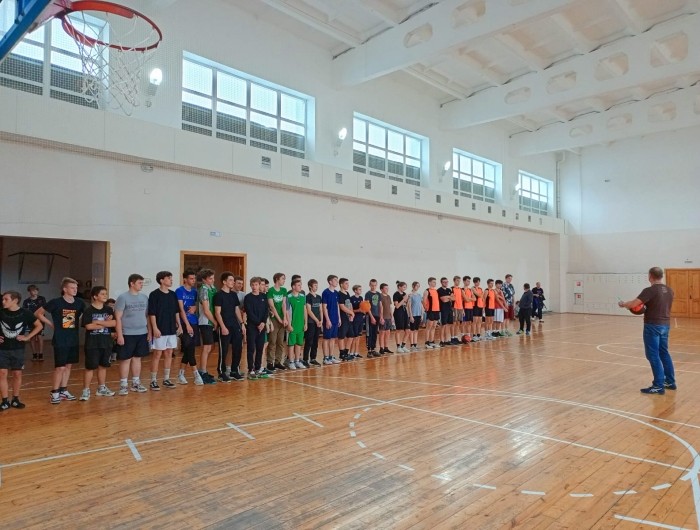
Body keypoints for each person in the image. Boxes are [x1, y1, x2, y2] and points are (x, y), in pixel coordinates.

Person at [618, 267, 675, 395]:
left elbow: (634, 304)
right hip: (665, 325)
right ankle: (670, 382)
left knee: (653, 355)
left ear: (650, 276)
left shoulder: (650, 290)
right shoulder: (669, 290)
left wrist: (623, 304)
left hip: (653, 326)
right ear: (661, 276)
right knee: (664, 353)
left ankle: (658, 386)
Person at [35, 277, 85, 404]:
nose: (75, 290)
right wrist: (51, 324)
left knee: (68, 366)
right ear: (65, 289)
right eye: (72, 288)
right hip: (60, 338)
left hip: (73, 338)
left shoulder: (79, 303)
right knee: (60, 367)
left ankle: (63, 390)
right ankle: (55, 392)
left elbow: (84, 315)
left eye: (76, 288)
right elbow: (38, 313)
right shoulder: (56, 302)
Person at [0, 291, 42, 410]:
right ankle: (4, 401)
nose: (3, 301)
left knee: (17, 374)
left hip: (18, 349)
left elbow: (39, 325)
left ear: (15, 300)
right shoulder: (1, 312)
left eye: (6, 299)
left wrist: (28, 337)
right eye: (3, 299)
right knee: (2, 373)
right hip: (2, 349)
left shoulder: (25, 313)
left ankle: (15, 399)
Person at [114, 274, 151, 395]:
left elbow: (147, 316)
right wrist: (120, 335)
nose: (141, 285)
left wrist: (149, 331)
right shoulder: (123, 297)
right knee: (126, 359)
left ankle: (136, 383)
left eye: (142, 283)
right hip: (127, 333)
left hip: (142, 332)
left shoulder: (144, 297)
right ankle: (123, 385)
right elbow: (118, 318)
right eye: (139, 283)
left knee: (137, 358)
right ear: (132, 283)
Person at [79, 285, 117, 400]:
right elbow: (89, 326)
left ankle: (101, 388)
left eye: (106, 294)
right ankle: (86, 390)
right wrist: (105, 323)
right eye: (102, 294)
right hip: (92, 344)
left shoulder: (108, 309)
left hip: (106, 342)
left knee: (103, 366)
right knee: (90, 367)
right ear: (95, 296)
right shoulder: (88, 310)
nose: (105, 296)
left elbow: (113, 323)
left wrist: (97, 322)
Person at [148, 271, 182, 390]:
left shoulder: (173, 294)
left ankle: (166, 379)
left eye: (171, 278)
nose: (171, 280)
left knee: (169, 353)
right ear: (161, 280)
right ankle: (153, 380)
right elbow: (152, 313)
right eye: (168, 278)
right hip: (160, 329)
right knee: (157, 354)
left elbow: (176, 311)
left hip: (171, 329)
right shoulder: (154, 294)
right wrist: (155, 328)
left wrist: (179, 324)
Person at [214, 272, 245, 381]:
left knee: (238, 347)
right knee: (224, 350)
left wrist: (242, 323)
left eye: (233, 280)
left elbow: (237, 309)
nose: (233, 282)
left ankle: (234, 370)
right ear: (224, 282)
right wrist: (222, 326)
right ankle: (221, 372)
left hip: (235, 325)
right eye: (231, 280)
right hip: (225, 325)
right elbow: (217, 312)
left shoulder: (233, 295)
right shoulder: (218, 295)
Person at [176, 269, 204, 385]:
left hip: (194, 322)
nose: (193, 280)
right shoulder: (179, 291)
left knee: (190, 348)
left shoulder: (194, 292)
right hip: (184, 323)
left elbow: (198, 305)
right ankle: (196, 374)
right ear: (185, 279)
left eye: (194, 278)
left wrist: (195, 308)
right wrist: (186, 324)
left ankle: (181, 374)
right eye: (191, 278)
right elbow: (180, 309)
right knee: (189, 347)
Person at [243, 277, 269, 380]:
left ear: (259, 285)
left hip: (262, 326)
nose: (254, 287)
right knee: (251, 348)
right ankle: (251, 369)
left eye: (256, 285)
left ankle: (258, 368)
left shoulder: (263, 296)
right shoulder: (248, 297)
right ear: (250, 285)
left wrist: (263, 322)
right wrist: (258, 323)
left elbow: (266, 311)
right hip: (252, 326)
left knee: (260, 348)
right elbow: (249, 312)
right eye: (252, 285)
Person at [197, 269, 217, 384]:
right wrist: (215, 322)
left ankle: (202, 369)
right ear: (204, 280)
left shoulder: (213, 288)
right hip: (206, 322)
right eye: (210, 278)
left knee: (212, 347)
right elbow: (206, 310)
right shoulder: (203, 290)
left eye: (213, 278)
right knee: (207, 347)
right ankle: (202, 372)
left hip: (212, 321)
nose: (213, 280)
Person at [267, 272, 288, 371]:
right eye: (282, 278)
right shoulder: (270, 291)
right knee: (272, 341)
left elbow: (284, 304)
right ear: (277, 279)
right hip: (274, 319)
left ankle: (278, 361)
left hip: (282, 320)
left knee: (280, 342)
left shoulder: (284, 290)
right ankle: (270, 362)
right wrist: (279, 319)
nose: (284, 280)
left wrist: (285, 318)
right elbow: (272, 306)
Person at [286, 278, 307, 369]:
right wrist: (288, 324)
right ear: (293, 287)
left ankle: (297, 361)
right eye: (298, 285)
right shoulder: (288, 297)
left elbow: (305, 310)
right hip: (292, 325)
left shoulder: (302, 296)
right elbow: (286, 311)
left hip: (301, 324)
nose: (300, 287)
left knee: (299, 344)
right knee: (291, 344)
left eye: (300, 285)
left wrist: (306, 323)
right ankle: (291, 362)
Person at [22, 284, 46, 361]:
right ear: (29, 292)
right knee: (32, 337)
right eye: (32, 290)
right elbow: (25, 312)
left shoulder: (42, 299)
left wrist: (39, 316)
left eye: (36, 290)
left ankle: (40, 354)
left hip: (40, 320)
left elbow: (44, 309)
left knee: (39, 337)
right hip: (30, 321)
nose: (35, 292)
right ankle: (34, 354)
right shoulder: (26, 301)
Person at [322, 275, 341, 365]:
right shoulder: (325, 292)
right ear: (330, 282)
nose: (337, 282)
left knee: (333, 338)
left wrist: (339, 318)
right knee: (326, 338)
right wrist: (327, 320)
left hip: (335, 319)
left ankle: (331, 356)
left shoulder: (336, 293)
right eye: (335, 280)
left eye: (337, 280)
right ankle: (325, 358)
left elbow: (337, 306)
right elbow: (324, 307)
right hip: (328, 319)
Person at [303, 279, 323, 367]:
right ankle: (305, 359)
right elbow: (309, 310)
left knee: (315, 341)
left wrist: (321, 320)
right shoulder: (308, 297)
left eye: (317, 285)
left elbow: (321, 309)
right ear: (310, 286)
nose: (316, 287)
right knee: (309, 341)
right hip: (311, 322)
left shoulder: (319, 297)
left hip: (318, 322)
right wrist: (316, 320)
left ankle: (313, 358)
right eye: (315, 285)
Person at [337, 278, 355, 362]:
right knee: (341, 336)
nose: (348, 285)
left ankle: (346, 352)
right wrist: (351, 313)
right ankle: (342, 354)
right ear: (341, 284)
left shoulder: (347, 293)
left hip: (348, 317)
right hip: (343, 317)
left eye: (348, 283)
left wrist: (351, 314)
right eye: (346, 283)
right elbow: (342, 306)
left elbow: (350, 304)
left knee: (351, 335)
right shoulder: (339, 294)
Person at [364, 279, 381, 357]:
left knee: (375, 333)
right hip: (370, 316)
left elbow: (380, 305)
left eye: (375, 285)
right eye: (372, 285)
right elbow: (367, 306)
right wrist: (371, 317)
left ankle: (373, 349)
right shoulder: (368, 294)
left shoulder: (378, 294)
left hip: (377, 316)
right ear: (369, 285)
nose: (373, 287)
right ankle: (369, 351)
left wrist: (381, 316)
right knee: (369, 333)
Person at [423, 277, 440, 349]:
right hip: (430, 310)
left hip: (436, 310)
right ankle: (426, 343)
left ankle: (432, 341)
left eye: (435, 282)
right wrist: (426, 309)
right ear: (429, 283)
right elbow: (424, 301)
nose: (435, 283)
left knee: (434, 327)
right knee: (429, 327)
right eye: (433, 282)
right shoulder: (427, 291)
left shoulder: (436, 291)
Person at [393, 281, 409, 352]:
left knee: (408, 330)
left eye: (405, 287)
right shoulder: (396, 294)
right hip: (398, 313)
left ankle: (403, 345)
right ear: (399, 287)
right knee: (399, 330)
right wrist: (404, 299)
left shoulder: (404, 294)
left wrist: (407, 300)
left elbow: (405, 304)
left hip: (404, 312)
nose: (405, 288)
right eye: (404, 287)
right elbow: (397, 306)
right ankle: (398, 347)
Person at [349, 285, 365, 359]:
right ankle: (351, 353)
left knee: (358, 336)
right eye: (359, 289)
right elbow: (350, 310)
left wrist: (364, 312)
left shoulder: (361, 298)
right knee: (354, 337)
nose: (360, 291)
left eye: (361, 289)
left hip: (360, 319)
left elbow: (363, 307)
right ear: (355, 290)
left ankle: (356, 352)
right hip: (355, 320)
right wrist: (358, 310)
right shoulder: (351, 298)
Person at [437, 277, 453, 346]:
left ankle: (447, 340)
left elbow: (454, 298)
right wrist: (449, 297)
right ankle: (442, 341)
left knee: (448, 325)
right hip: (443, 310)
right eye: (444, 282)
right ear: (441, 283)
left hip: (449, 309)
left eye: (447, 282)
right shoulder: (439, 290)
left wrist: (447, 297)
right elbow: (443, 300)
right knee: (443, 325)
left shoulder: (449, 290)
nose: (446, 283)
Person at [407, 281, 423, 352]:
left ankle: (415, 344)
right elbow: (409, 306)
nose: (417, 287)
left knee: (416, 330)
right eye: (416, 286)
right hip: (413, 315)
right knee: (412, 330)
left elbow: (421, 305)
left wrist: (422, 314)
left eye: (418, 286)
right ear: (413, 286)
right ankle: (412, 345)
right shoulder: (410, 295)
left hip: (418, 314)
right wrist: (411, 316)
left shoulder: (419, 295)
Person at [378, 283, 393, 354]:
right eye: (385, 288)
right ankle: (381, 348)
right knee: (382, 333)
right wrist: (381, 317)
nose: (387, 289)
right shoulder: (380, 296)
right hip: (383, 317)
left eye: (387, 288)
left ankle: (386, 347)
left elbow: (390, 307)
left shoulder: (389, 296)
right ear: (381, 289)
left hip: (388, 317)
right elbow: (380, 307)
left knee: (388, 332)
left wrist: (392, 316)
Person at [451, 276, 464, 343]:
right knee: (453, 323)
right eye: (457, 280)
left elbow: (462, 299)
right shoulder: (451, 289)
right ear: (454, 281)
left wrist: (463, 309)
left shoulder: (460, 289)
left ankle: (456, 337)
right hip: (454, 307)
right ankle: (452, 338)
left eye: (459, 281)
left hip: (460, 307)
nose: (458, 282)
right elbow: (451, 299)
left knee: (458, 323)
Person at [471, 277, 485, 341]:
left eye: (479, 282)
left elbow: (482, 297)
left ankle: (478, 334)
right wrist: (480, 295)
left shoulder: (480, 288)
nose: (478, 283)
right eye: (477, 282)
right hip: (475, 306)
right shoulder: (472, 288)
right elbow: (479, 295)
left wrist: (483, 307)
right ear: (474, 282)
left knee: (479, 321)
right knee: (475, 321)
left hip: (480, 306)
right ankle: (474, 335)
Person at [462, 276, 475, 341]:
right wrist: (470, 299)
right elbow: (466, 300)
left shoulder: (470, 290)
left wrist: (468, 298)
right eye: (467, 281)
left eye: (469, 281)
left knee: (469, 323)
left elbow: (474, 299)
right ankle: (463, 337)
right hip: (465, 308)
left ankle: (468, 336)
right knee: (464, 323)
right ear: (464, 281)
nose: (468, 282)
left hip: (470, 308)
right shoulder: (462, 289)